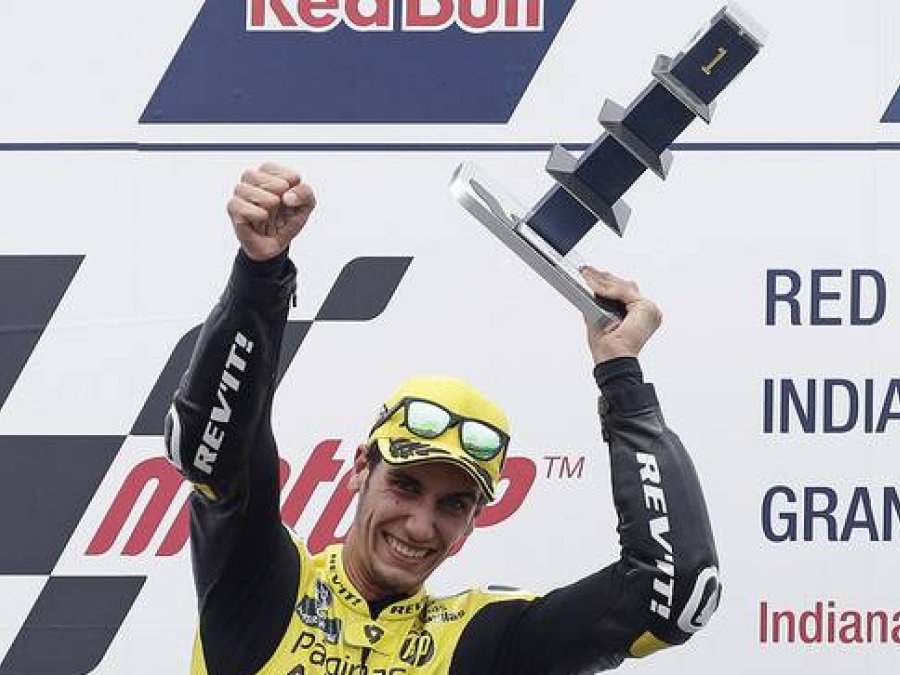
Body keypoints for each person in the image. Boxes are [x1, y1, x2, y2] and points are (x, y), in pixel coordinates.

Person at [166, 162, 721, 674]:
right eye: (406, 485)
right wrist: (260, 274)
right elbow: (210, 449)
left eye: (453, 504)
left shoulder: (482, 642)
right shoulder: (264, 584)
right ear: (361, 469)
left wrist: (621, 374)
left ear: (477, 516)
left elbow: (675, 595)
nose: (420, 525)